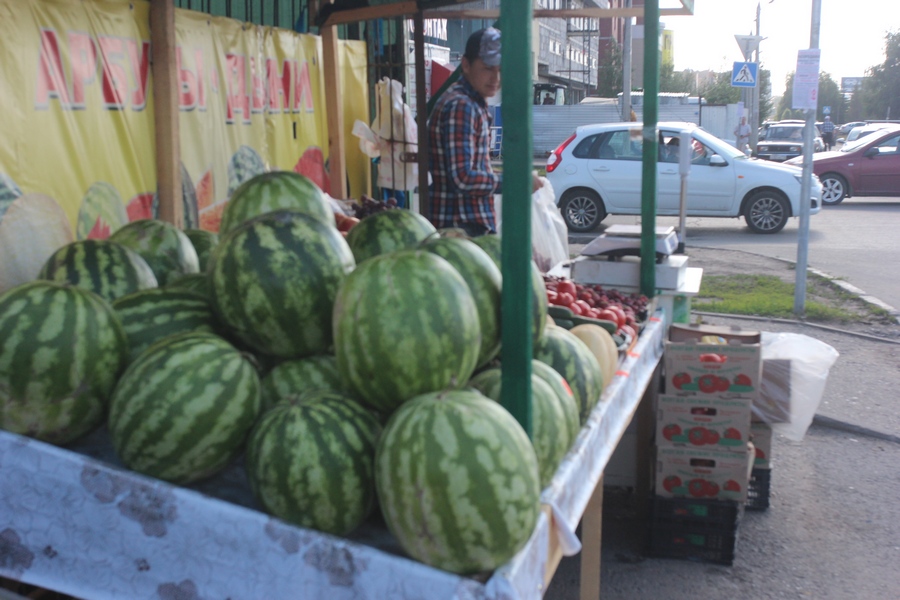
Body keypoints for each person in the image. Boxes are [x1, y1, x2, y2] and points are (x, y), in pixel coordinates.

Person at [427, 27, 541, 237]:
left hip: (464, 227)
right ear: (466, 65)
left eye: (501, 69)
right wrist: (516, 182)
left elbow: (475, 170)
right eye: (488, 68)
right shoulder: (462, 106)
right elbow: (462, 178)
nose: (496, 77)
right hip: (460, 230)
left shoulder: (473, 103)